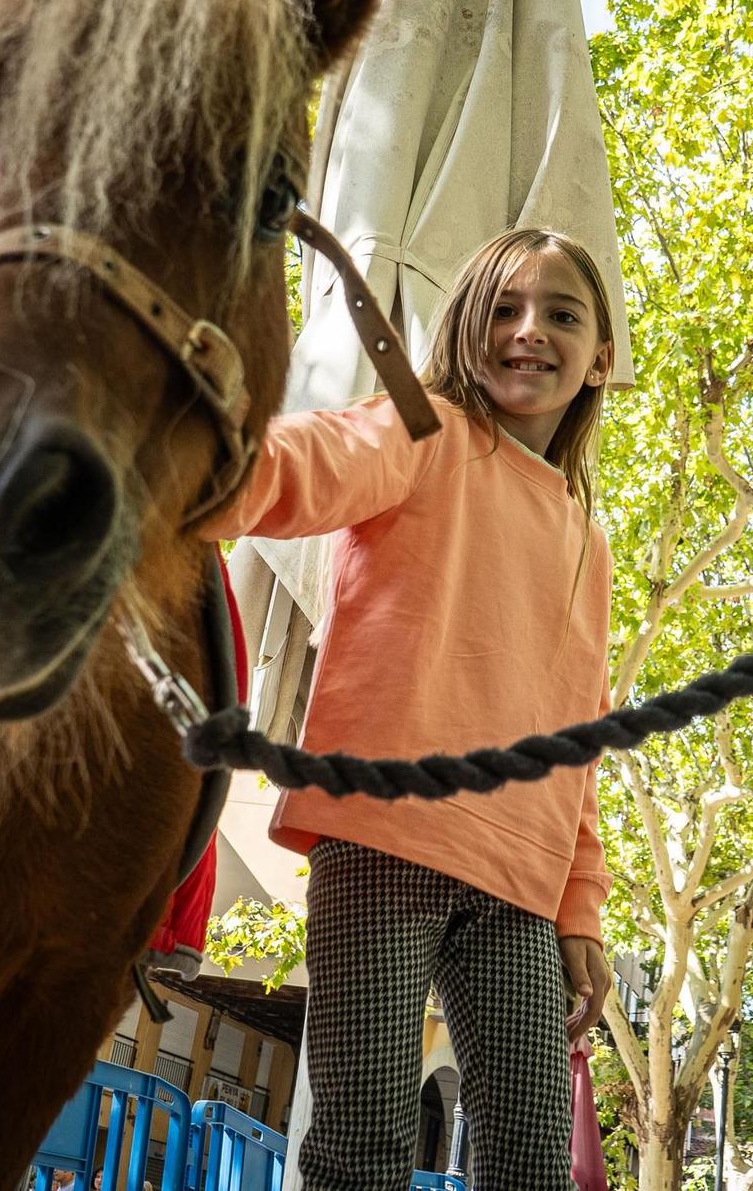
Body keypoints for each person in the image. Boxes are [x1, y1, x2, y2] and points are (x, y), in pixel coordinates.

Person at [201, 227, 619, 1190]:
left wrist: (580, 906)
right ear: (466, 328)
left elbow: (580, 745)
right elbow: (298, 464)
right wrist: (173, 459)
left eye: (562, 314)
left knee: (530, 1160)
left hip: (519, 884)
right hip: (381, 837)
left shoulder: (589, 546)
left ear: (601, 356)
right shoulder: (422, 429)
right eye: (504, 309)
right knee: (364, 1146)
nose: (529, 331)